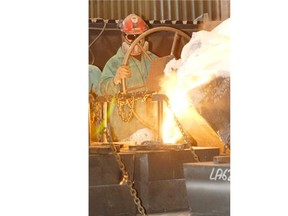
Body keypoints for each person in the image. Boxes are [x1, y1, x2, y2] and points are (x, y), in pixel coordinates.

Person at [98, 14, 158, 142]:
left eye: (140, 36)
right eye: (131, 36)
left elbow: (166, 84)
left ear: (145, 36)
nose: (136, 40)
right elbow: (102, 90)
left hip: (153, 125)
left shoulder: (153, 60)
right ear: (124, 37)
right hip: (125, 130)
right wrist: (115, 80)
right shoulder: (114, 63)